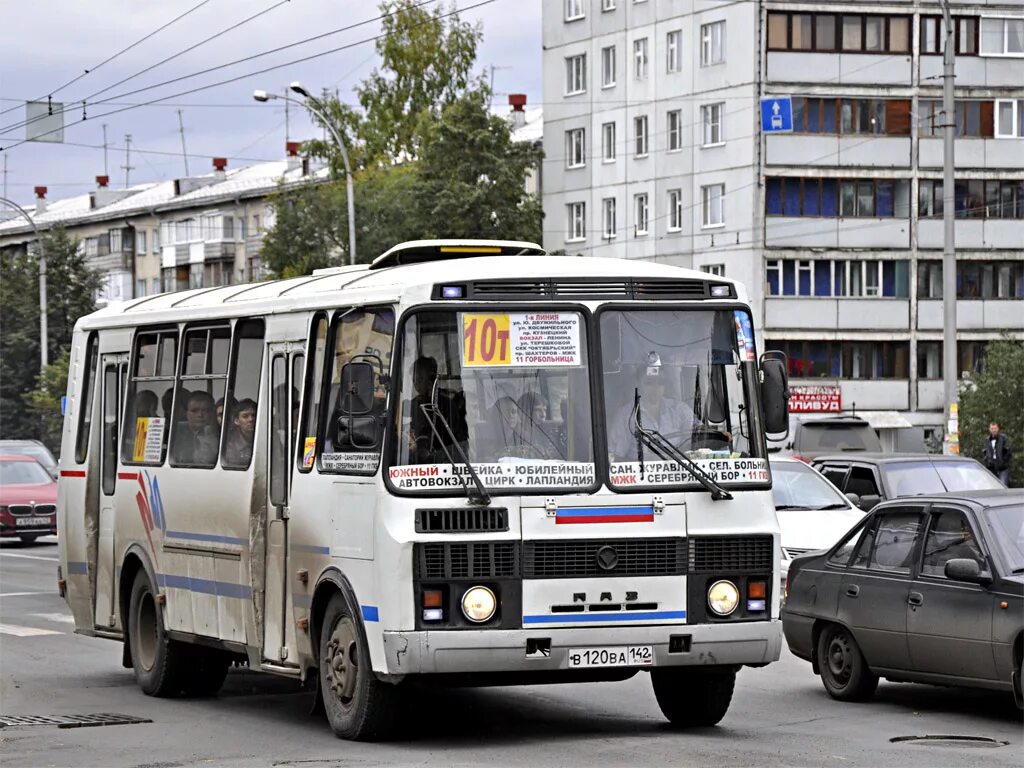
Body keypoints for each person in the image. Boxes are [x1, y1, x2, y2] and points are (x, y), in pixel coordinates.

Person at [611, 366, 694, 460]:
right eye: (649, 383)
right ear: (639, 385)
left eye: (660, 383)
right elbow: (615, 456)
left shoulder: (680, 410)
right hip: (641, 472)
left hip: (679, 471)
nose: (655, 388)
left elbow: (697, 440)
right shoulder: (626, 414)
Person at [407, 356, 468, 463]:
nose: (416, 383)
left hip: (446, 460)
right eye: (414, 380)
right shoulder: (413, 405)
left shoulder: (447, 403)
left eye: (420, 379)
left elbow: (452, 437)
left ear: (432, 379)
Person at [172, 390, 219, 465]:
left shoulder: (221, 434)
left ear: (212, 413)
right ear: (187, 414)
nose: (200, 415)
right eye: (194, 411)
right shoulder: (174, 433)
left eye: (205, 410)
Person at [224, 398, 257, 466]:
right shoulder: (229, 443)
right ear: (236, 421)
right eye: (245, 416)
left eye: (254, 415)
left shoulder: (270, 436)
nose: (251, 419)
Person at [983, 422, 1012, 487]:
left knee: (1003, 485)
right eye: (992, 428)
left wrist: (1004, 462)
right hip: (991, 467)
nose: (994, 430)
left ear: (998, 429)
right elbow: (985, 452)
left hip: (1002, 467)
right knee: (992, 486)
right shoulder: (987, 440)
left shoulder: (1003, 438)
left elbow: (1008, 451)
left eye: (995, 428)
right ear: (989, 429)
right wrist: (987, 462)